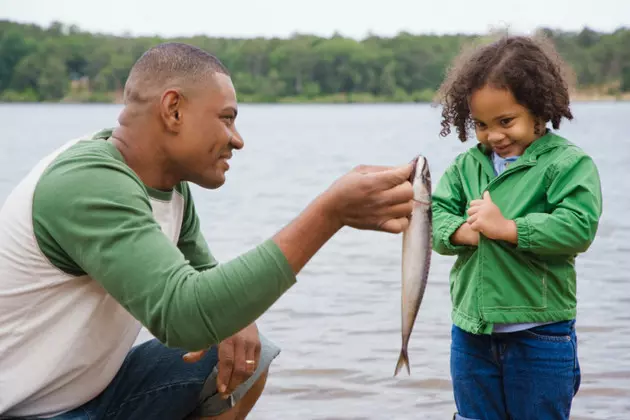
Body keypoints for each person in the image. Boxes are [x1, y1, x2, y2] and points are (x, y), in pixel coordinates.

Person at [0, 42, 415, 420]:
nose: (237, 140)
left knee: (242, 356)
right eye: (227, 119)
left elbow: (208, 291)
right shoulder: (87, 183)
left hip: (92, 397)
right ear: (174, 110)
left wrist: (234, 318)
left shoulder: (169, 187)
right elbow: (185, 315)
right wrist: (329, 213)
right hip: (27, 409)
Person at [431, 34, 603, 420]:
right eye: (480, 124)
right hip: (472, 332)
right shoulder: (466, 166)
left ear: (539, 110)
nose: (494, 136)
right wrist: (464, 232)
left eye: (506, 121)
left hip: (541, 333)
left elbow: (577, 227)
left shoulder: (567, 164)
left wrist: (508, 228)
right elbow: (437, 215)